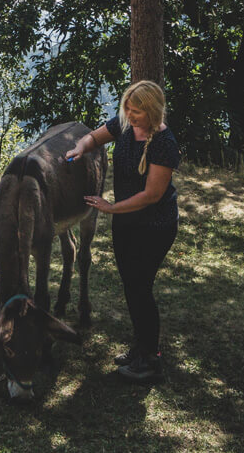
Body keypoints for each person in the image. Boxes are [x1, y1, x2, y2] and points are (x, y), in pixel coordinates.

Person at [64, 80, 180, 382]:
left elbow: (152, 195)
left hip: (154, 225)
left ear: (153, 111)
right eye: (127, 107)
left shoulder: (165, 145)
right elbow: (93, 138)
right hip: (127, 222)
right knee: (131, 286)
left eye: (137, 110)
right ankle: (141, 348)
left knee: (141, 288)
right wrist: (79, 148)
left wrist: (111, 207)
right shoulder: (125, 124)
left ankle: (151, 360)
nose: (130, 114)